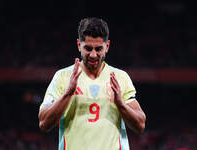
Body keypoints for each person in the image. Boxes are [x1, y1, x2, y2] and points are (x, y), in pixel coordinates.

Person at [38, 17, 146, 150]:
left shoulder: (120, 77)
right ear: (79, 45)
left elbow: (140, 125)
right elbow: (44, 123)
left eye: (98, 49)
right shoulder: (63, 77)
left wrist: (120, 104)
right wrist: (68, 93)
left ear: (107, 46)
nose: (93, 55)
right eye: (88, 48)